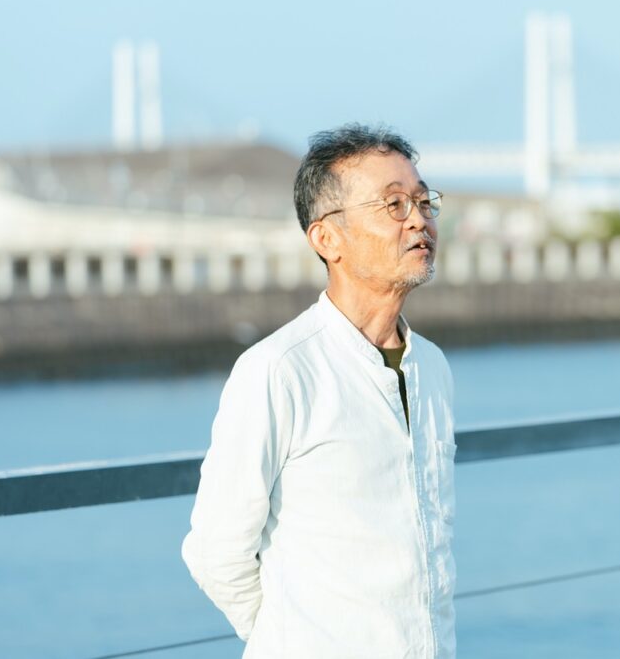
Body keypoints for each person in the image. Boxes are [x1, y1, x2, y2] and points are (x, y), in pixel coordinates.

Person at [182, 124, 457, 658]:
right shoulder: (278, 370)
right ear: (327, 238)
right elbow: (215, 552)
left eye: (424, 201)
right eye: (394, 205)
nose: (419, 220)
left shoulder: (434, 368)